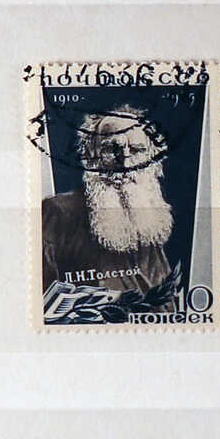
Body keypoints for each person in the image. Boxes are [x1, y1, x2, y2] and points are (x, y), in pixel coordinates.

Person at [41, 107, 177, 299]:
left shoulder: (147, 223)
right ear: (91, 155)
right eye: (112, 149)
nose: (126, 163)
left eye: (137, 150)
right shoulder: (58, 212)